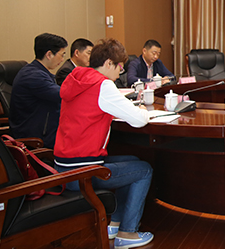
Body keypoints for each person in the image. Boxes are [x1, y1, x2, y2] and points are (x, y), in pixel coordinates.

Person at [54, 38, 154, 249]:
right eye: (119, 67)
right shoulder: (103, 85)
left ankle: (114, 225)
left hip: (64, 168)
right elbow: (138, 120)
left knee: (132, 160)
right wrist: (143, 110)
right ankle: (128, 233)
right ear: (108, 63)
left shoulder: (77, 78)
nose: (120, 73)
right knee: (144, 170)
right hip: (82, 173)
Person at [10, 33, 68, 148]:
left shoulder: (38, 72)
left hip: (43, 129)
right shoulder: (33, 76)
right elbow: (63, 94)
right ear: (49, 54)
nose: (62, 59)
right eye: (61, 55)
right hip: (35, 136)